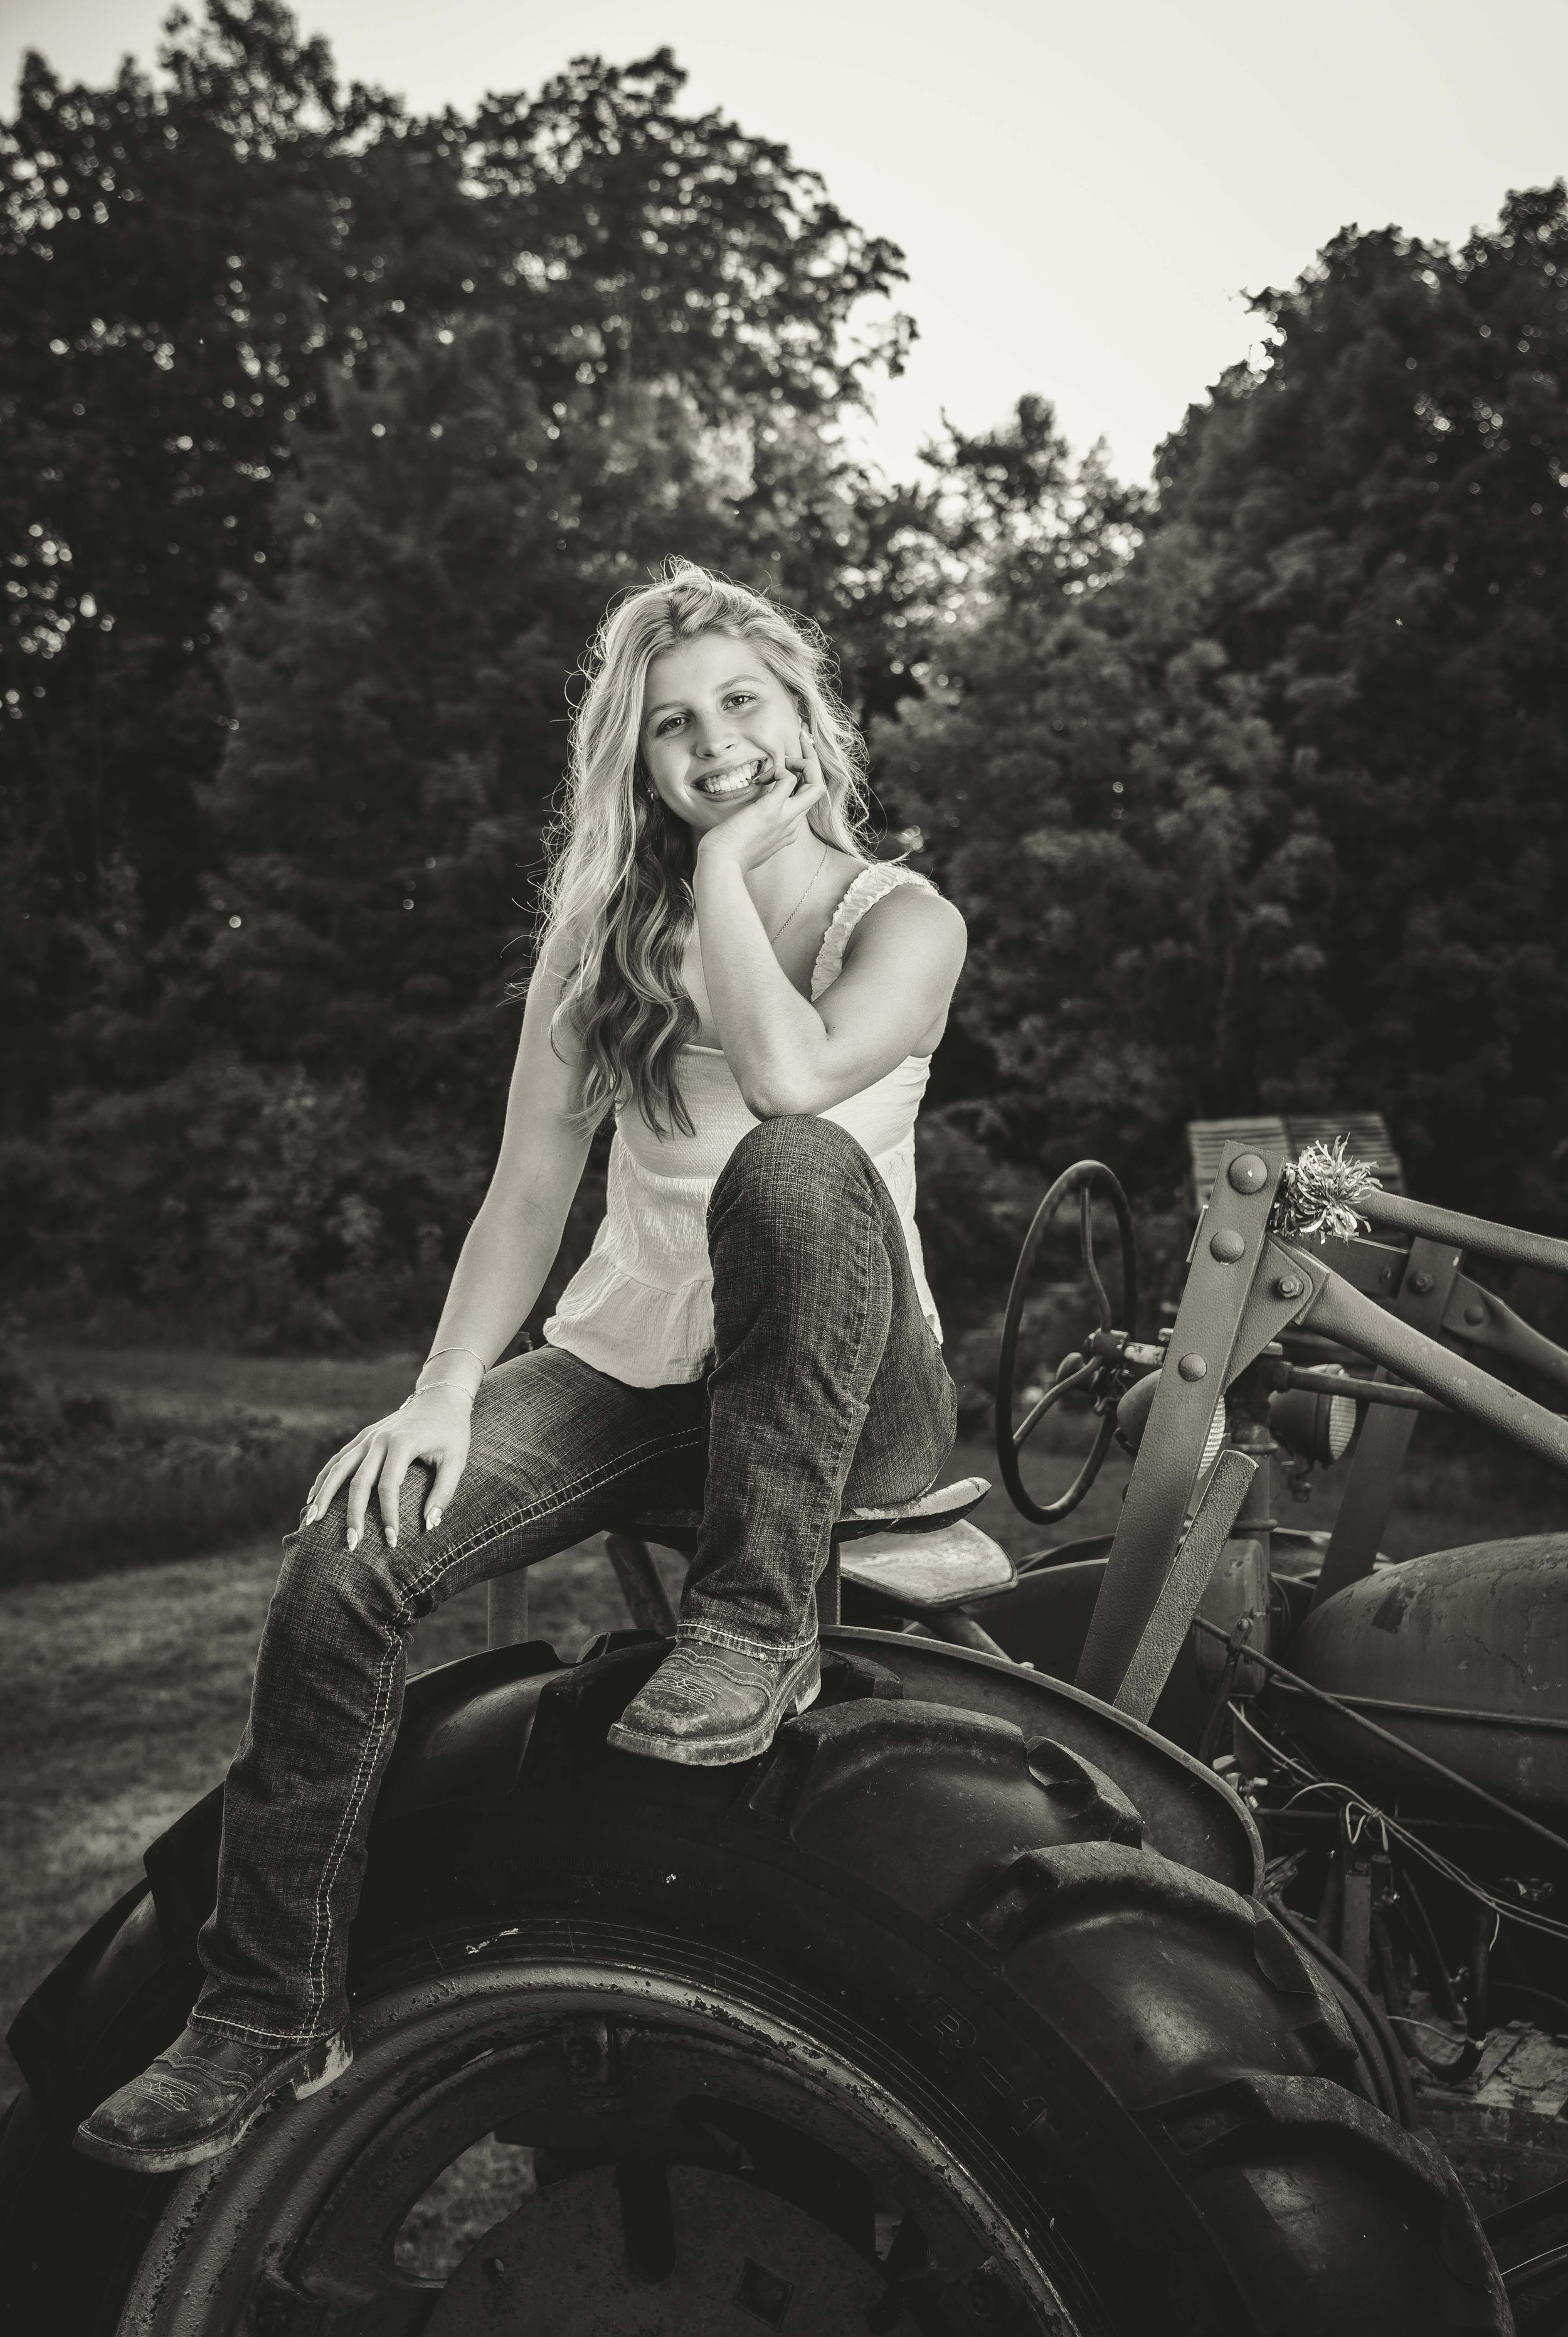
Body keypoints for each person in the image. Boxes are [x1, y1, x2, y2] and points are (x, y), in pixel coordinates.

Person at [76, 560, 968, 2174]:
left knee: (786, 1169)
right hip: (641, 1367)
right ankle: (263, 2012)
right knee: (349, 1558)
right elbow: (525, 1198)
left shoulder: (895, 917)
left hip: (852, 1388)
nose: (708, 744)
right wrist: (437, 1395)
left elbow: (787, 1085)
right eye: (670, 727)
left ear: (801, 716)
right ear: (633, 760)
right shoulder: (597, 949)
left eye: (739, 706)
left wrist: (729, 871)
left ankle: (754, 1628)